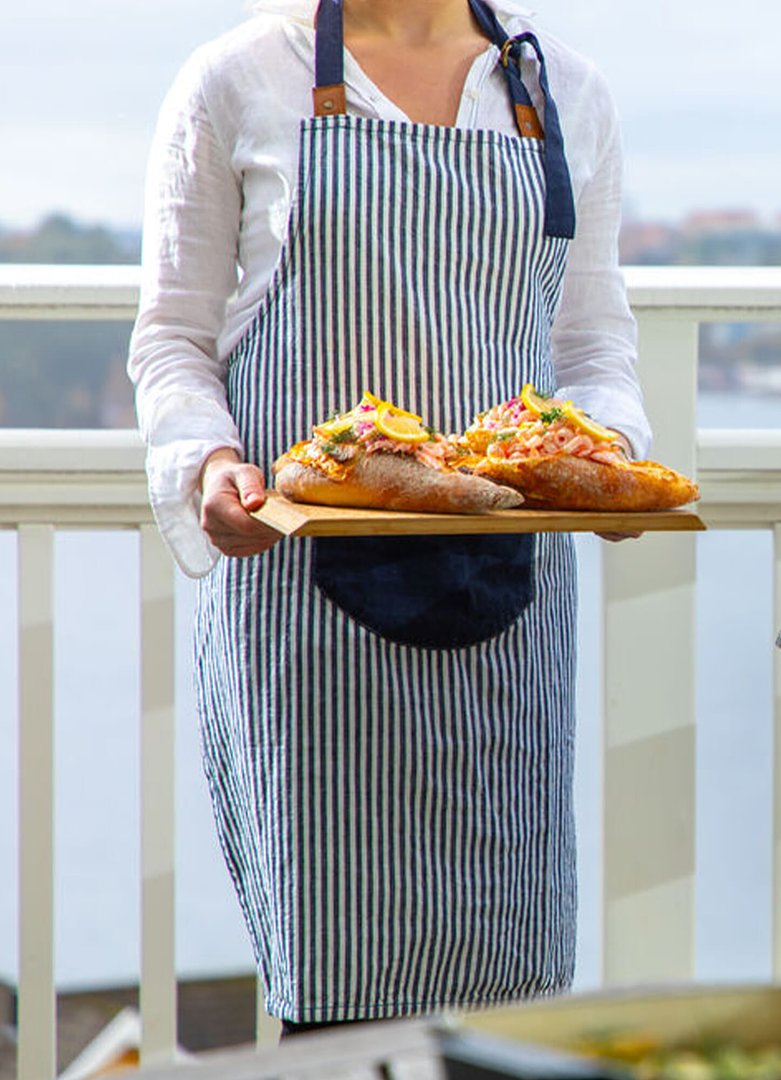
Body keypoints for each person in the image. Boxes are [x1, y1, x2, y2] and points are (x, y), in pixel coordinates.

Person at [128, 0, 652, 1031]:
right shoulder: (238, 78)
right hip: (307, 609)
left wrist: (611, 456)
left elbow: (591, 345)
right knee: (339, 997)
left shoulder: (563, 96)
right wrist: (210, 467)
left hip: (508, 610)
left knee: (508, 1007)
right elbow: (172, 340)